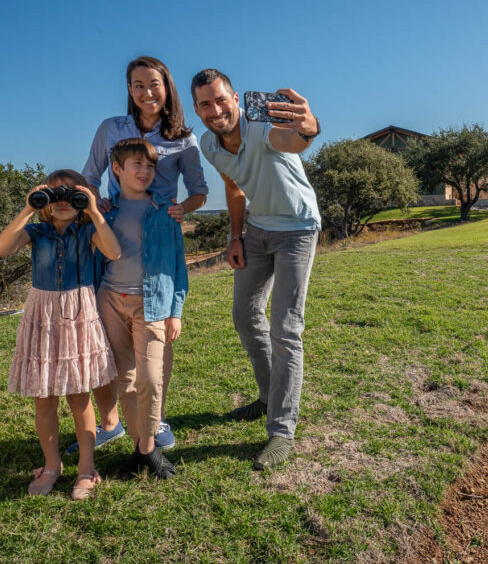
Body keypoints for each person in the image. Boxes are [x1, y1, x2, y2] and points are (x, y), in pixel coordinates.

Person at [74, 56, 208, 454]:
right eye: (137, 85)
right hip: (115, 246)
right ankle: (119, 425)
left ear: (167, 87)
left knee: (153, 359)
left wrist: (184, 209)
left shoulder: (183, 138)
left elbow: (199, 189)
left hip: (159, 238)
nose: (146, 93)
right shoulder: (111, 129)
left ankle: (154, 421)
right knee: (116, 363)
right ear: (129, 90)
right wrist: (100, 213)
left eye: (154, 84)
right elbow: (89, 177)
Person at [190, 68, 321, 470]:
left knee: (286, 327)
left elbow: (293, 141)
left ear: (234, 98)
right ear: (197, 110)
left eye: (220, 99)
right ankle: (267, 396)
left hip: (297, 229)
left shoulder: (261, 128)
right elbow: (233, 187)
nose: (215, 110)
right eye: (205, 104)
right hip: (257, 229)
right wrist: (234, 236)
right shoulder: (209, 145)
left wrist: (309, 127)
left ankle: (281, 430)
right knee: (245, 316)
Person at [0, 170, 121, 499]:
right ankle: (52, 466)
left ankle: (86, 469)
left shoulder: (89, 229)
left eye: (71, 197)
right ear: (45, 202)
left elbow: (113, 252)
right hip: (43, 314)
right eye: (54, 197)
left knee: (79, 395)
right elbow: (0, 249)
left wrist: (93, 210)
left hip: (79, 312)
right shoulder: (36, 231)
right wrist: (27, 210)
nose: (63, 203)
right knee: (43, 397)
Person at [96, 137, 188, 479]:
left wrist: (175, 310)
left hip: (152, 304)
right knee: (126, 378)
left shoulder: (166, 211)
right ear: (117, 169)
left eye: (151, 166)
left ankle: (148, 449)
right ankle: (141, 446)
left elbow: (179, 265)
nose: (146, 171)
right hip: (110, 301)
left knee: (151, 377)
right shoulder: (107, 211)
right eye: (137, 165)